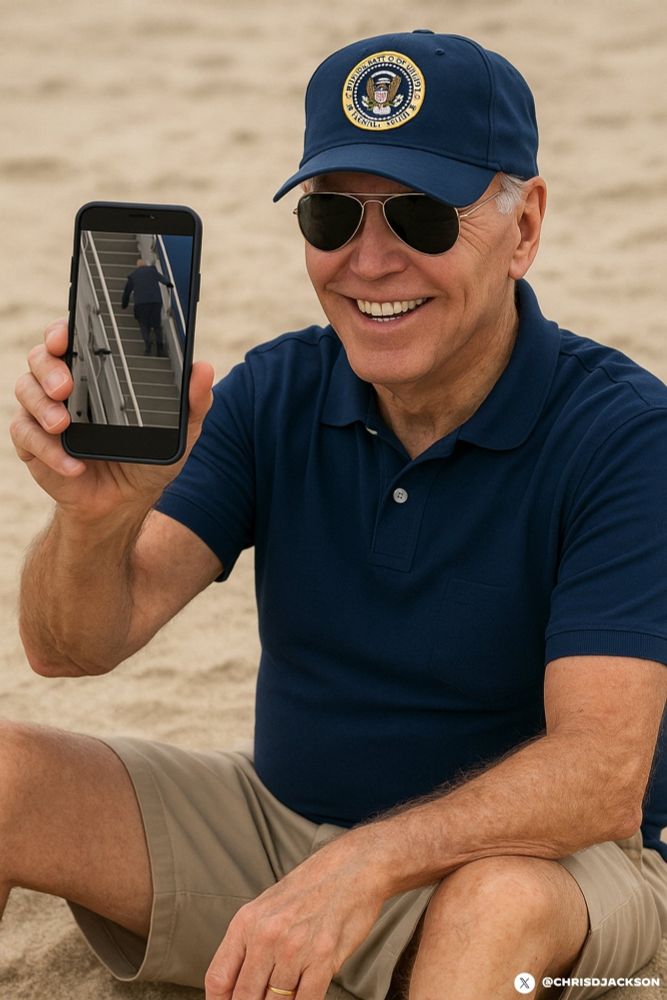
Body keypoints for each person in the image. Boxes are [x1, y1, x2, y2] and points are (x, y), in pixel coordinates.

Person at [7, 29, 667, 1000]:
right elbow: (71, 648)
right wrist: (93, 519)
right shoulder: (274, 390)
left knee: (493, 906)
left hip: (543, 864)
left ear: (524, 227)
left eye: (421, 218)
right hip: (284, 834)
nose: (368, 260)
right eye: (330, 215)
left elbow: (601, 776)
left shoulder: (624, 433)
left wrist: (365, 864)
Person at [121, 257, 173, 356]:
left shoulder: (133, 275)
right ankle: (160, 349)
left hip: (141, 303)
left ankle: (148, 346)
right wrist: (169, 284)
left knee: (144, 325)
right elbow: (164, 280)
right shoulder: (153, 271)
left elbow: (127, 292)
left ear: (137, 266)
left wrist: (124, 304)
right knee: (157, 325)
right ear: (146, 265)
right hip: (155, 302)